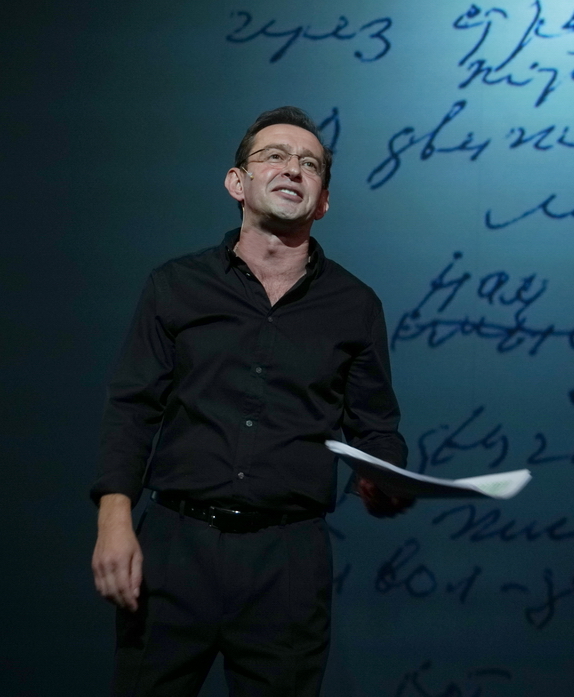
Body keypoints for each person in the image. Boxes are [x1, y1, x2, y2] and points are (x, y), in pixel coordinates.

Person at [90, 106, 411, 697]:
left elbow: (377, 428)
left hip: (288, 561)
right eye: (275, 156)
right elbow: (133, 408)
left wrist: (383, 475)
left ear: (323, 202)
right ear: (237, 183)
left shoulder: (356, 306)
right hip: (175, 547)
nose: (292, 168)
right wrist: (114, 521)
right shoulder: (175, 285)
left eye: (310, 164)